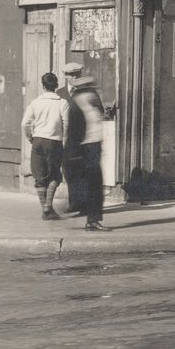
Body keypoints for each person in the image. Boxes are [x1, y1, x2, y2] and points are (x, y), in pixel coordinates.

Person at [21, 72, 70, 220]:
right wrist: (64, 141)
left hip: (38, 141)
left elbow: (25, 123)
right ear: (56, 86)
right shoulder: (62, 103)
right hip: (54, 142)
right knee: (54, 174)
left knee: (40, 177)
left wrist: (30, 137)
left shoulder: (35, 102)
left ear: (43, 86)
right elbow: (67, 124)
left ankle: (46, 209)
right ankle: (48, 206)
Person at [65, 67, 109, 231]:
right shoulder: (79, 105)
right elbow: (74, 132)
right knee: (94, 184)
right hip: (85, 149)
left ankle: (91, 218)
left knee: (93, 183)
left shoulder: (88, 103)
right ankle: (92, 220)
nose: (94, 92)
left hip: (92, 148)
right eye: (90, 89)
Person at [58, 61, 86, 215]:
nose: (74, 77)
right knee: (68, 171)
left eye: (77, 74)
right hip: (65, 139)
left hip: (83, 138)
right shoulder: (60, 94)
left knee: (82, 171)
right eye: (71, 75)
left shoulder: (86, 92)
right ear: (66, 76)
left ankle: (82, 204)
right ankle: (73, 202)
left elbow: (98, 110)